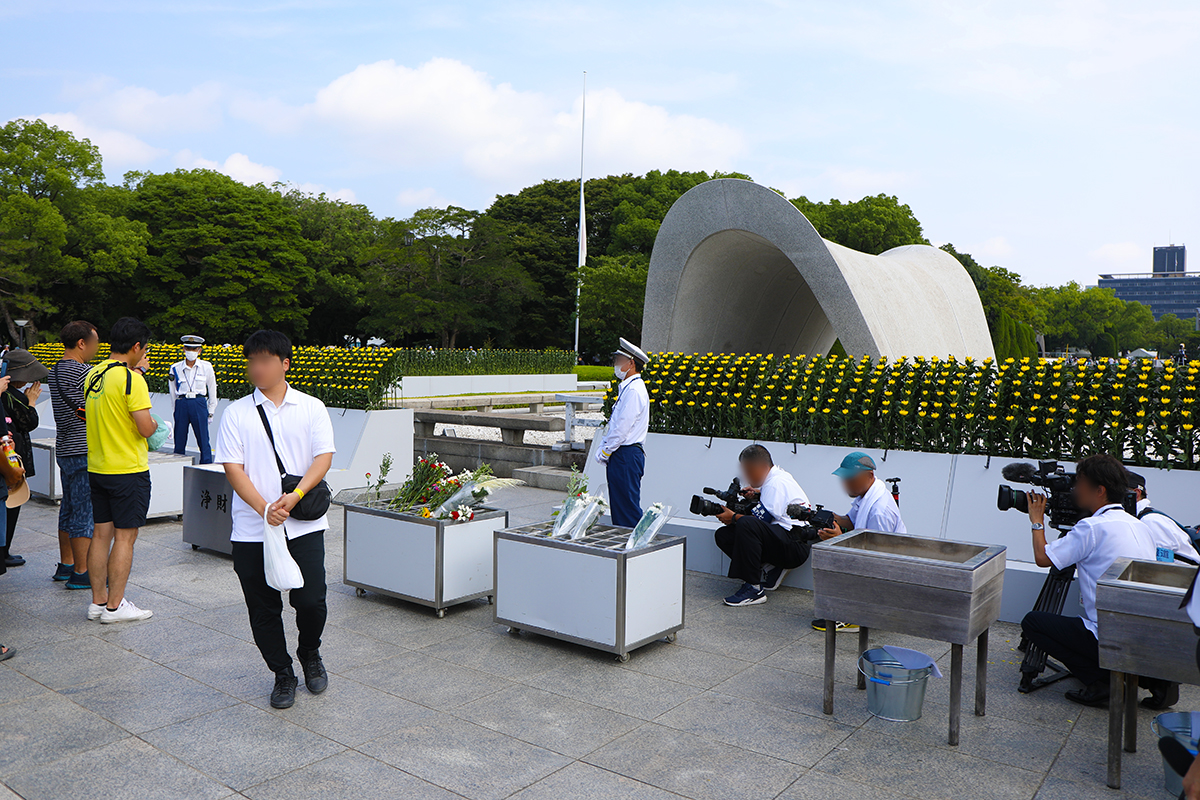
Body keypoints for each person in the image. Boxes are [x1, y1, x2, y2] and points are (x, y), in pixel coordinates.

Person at [215, 330, 335, 710]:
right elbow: (233, 468)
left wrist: (295, 497)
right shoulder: (236, 413)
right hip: (253, 529)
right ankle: (282, 673)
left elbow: (323, 458)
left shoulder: (311, 407)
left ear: (284, 364)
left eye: (265, 361)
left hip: (304, 523)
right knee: (263, 607)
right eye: (251, 361)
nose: (257, 368)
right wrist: (264, 508)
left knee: (312, 599)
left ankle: (310, 653)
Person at [1020, 453, 1156, 707]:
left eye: (1079, 483)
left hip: (1109, 634)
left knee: (1033, 622)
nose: (1074, 489)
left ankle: (1101, 683)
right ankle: (1159, 684)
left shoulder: (1091, 527)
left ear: (1099, 490)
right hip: (1146, 634)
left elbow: (1042, 557)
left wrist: (1037, 520)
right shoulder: (1138, 525)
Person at [86, 317, 158, 624]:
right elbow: (145, 428)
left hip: (98, 466)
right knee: (125, 538)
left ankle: (97, 603)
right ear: (137, 346)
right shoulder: (131, 379)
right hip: (127, 469)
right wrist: (157, 426)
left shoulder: (94, 373)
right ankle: (115, 607)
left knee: (101, 535)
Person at [811, 451, 906, 633]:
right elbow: (850, 521)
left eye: (851, 479)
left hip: (885, 568)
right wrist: (827, 518)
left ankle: (852, 617)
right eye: (844, 479)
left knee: (833, 553)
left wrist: (839, 538)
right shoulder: (866, 494)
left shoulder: (880, 510)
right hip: (871, 556)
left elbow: (876, 557)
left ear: (869, 475)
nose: (846, 484)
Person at [1126, 470, 1195, 709]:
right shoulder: (1144, 518)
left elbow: (1164, 565)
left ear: (1135, 493)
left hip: (1182, 588)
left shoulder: (1151, 521)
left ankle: (1161, 682)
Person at [713, 445, 812, 607]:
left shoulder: (775, 483)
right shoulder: (776, 479)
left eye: (749, 471)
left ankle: (753, 589)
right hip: (787, 541)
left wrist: (733, 517)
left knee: (745, 523)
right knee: (724, 535)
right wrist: (759, 494)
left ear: (762, 467)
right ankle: (770, 569)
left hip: (795, 547)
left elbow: (758, 521)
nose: (746, 476)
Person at [48, 321, 99, 588]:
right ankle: (82, 572)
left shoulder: (55, 371)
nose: (96, 348)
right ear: (82, 343)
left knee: (68, 507)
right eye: (94, 343)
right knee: (84, 511)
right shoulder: (84, 372)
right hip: (84, 448)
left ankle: (66, 564)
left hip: (65, 447)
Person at [0, 349, 48, 572]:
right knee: (13, 501)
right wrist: (31, 402)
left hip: (9, 455)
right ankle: (4, 551)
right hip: (11, 458)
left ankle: (4, 549)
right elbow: (29, 422)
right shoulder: (12, 395)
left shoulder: (7, 393)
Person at [594, 338, 650, 528]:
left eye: (619, 360)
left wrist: (605, 451)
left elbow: (621, 428)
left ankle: (633, 553)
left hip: (625, 454)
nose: (616, 364)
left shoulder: (633, 390)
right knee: (621, 509)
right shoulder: (629, 388)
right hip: (624, 454)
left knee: (627, 512)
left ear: (631, 363)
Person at [169, 335, 218, 463]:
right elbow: (172, 391)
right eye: (189, 348)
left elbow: (212, 390)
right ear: (184, 349)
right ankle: (177, 466)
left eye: (194, 349)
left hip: (199, 402)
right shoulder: (175, 368)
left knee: (203, 439)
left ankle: (206, 466)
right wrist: (175, 409)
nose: (191, 352)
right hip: (182, 402)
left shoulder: (206, 367)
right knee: (179, 439)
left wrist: (211, 410)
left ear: (199, 350)